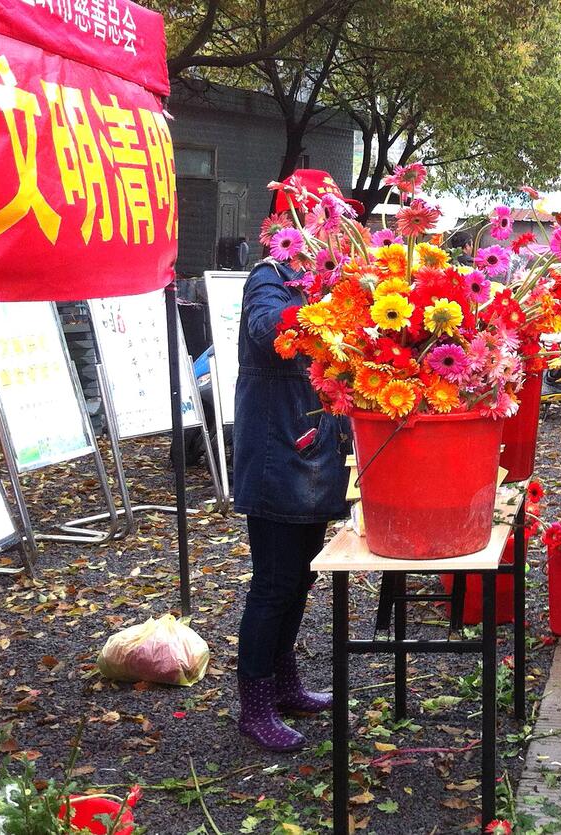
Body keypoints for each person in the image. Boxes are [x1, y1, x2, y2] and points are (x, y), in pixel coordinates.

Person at [234, 171, 351, 751]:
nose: (333, 231)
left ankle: (284, 683)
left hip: (310, 454)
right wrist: (318, 312)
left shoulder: (316, 282)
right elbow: (263, 333)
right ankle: (253, 702)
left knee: (299, 578)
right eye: (325, 220)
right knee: (274, 582)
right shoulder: (269, 278)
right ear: (294, 225)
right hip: (277, 457)